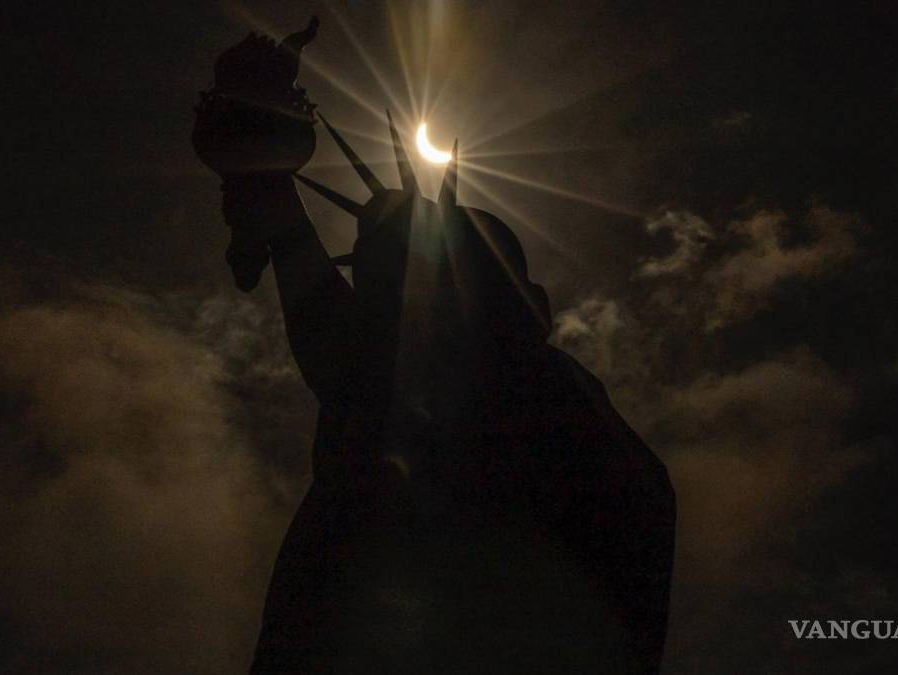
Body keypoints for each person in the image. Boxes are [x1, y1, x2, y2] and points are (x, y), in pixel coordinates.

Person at [193, 17, 675, 674]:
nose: (367, 297)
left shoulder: (512, 403)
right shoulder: (436, 387)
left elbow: (346, 346)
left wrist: (267, 184)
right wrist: (266, 185)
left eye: (381, 276)